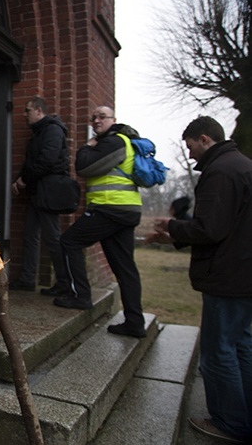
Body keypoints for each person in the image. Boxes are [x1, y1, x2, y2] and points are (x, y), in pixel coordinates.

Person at [146, 116, 252, 443]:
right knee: (241, 345)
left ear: (205, 139)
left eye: (190, 146)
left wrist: (172, 228)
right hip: (244, 274)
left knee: (218, 351)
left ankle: (230, 423)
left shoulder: (220, 172)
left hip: (227, 275)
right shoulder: (244, 166)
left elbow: (211, 228)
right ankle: (245, 415)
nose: (190, 155)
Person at [53, 105, 147, 339]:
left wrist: (87, 146)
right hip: (123, 210)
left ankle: (81, 296)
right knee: (125, 268)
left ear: (114, 120)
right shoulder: (116, 141)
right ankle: (135, 322)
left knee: (69, 242)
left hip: (110, 209)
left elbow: (85, 167)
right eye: (93, 117)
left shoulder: (114, 141)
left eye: (102, 117)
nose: (96, 120)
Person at [10, 97, 70, 295]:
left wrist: (23, 180)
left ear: (38, 110)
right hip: (38, 191)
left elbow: (47, 160)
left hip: (49, 192)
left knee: (53, 238)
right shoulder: (39, 133)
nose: (25, 115)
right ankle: (28, 279)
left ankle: (64, 283)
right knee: (31, 235)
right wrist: (20, 179)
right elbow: (31, 162)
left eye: (27, 111)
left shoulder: (53, 130)